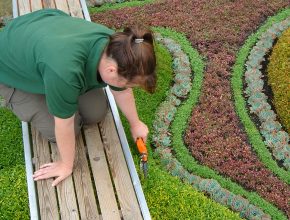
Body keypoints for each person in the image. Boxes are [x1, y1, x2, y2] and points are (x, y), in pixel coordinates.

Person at [0, 9, 156, 186]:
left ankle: (55, 89)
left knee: (96, 113)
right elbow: (64, 123)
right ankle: (39, 89)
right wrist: (66, 165)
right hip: (11, 65)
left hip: (45, 38)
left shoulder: (119, 48)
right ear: (111, 70)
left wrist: (135, 123)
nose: (129, 88)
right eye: (129, 84)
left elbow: (122, 90)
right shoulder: (65, 71)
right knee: (65, 129)